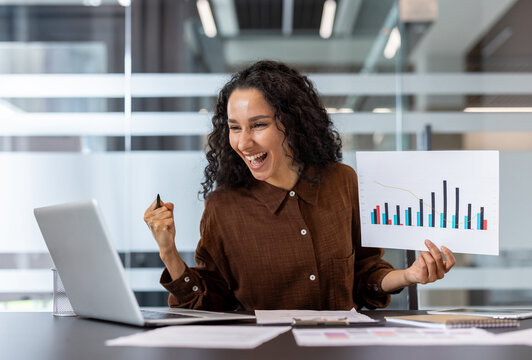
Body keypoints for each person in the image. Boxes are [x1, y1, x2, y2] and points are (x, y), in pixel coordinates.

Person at [144, 60, 455, 311]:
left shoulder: (341, 182)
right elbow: (213, 303)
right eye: (234, 127)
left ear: (292, 123)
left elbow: (365, 275)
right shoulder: (222, 206)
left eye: (259, 125)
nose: (243, 141)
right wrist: (169, 252)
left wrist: (409, 275)